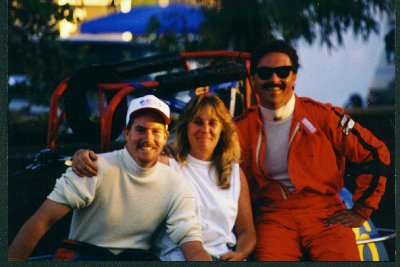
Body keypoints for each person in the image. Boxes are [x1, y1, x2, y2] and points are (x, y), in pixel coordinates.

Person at [234, 39, 390, 261]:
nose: (274, 79)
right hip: (272, 217)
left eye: (283, 71)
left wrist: (360, 210)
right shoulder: (239, 128)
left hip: (325, 214)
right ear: (253, 78)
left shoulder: (323, 116)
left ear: (294, 76)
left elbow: (376, 153)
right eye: (265, 73)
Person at [8, 95, 212, 261]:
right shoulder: (93, 167)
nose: (148, 139)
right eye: (140, 130)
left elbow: (192, 246)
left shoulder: (176, 185)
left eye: (156, 131)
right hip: (85, 256)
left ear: (166, 137)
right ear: (127, 133)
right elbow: (41, 221)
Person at [71, 94, 257, 261]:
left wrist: (240, 254)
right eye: (198, 122)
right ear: (186, 126)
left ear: (223, 129)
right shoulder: (167, 164)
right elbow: (124, 158)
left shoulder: (234, 173)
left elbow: (246, 231)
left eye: (213, 123)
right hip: (177, 257)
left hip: (225, 257)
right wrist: (83, 155)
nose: (205, 129)